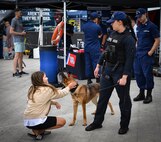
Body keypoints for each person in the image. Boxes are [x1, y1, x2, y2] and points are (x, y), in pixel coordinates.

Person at [85, 11, 136, 135]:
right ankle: (97, 122)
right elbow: (106, 51)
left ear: (120, 22)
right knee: (102, 98)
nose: (111, 24)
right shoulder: (112, 33)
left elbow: (130, 60)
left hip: (120, 73)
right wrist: (98, 65)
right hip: (107, 71)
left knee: (123, 101)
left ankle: (124, 125)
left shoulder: (129, 38)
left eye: (113, 22)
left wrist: (124, 77)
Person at [23, 71, 77, 140]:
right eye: (45, 77)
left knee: (41, 120)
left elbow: (41, 100)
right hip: (37, 120)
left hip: (27, 121)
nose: (47, 78)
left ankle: (37, 130)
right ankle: (39, 131)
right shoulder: (47, 89)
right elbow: (61, 93)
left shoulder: (32, 88)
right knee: (62, 121)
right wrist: (69, 87)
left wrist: (54, 103)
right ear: (40, 80)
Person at [133, 8, 160, 104]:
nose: (139, 19)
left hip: (146, 55)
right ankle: (141, 93)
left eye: (140, 16)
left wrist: (151, 52)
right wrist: (136, 46)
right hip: (138, 54)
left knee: (147, 74)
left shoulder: (152, 26)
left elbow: (157, 39)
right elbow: (138, 38)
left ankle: (149, 95)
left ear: (145, 14)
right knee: (138, 73)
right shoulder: (139, 26)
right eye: (138, 17)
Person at [82, 12, 102, 84]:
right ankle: (97, 78)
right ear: (96, 19)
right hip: (95, 47)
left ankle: (89, 79)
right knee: (96, 62)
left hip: (87, 47)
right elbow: (100, 35)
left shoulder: (84, 26)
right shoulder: (97, 26)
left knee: (87, 63)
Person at [10, 8, 28, 77]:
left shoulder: (19, 20)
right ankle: (14, 72)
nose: (21, 14)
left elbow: (20, 30)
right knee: (17, 56)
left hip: (21, 40)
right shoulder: (14, 20)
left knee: (21, 56)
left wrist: (24, 33)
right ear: (16, 13)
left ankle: (20, 70)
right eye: (20, 12)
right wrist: (21, 34)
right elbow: (11, 32)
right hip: (17, 40)